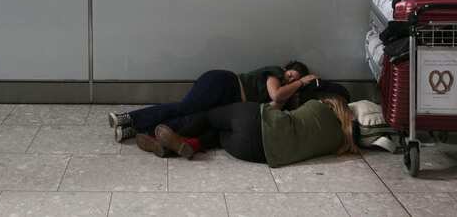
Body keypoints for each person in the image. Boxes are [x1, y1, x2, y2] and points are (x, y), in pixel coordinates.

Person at [108, 61, 317, 142]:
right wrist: (301, 83)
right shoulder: (275, 73)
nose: (290, 78)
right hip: (223, 83)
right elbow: (276, 95)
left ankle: (135, 130)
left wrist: (290, 96)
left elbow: (272, 106)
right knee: (185, 108)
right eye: (291, 74)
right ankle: (127, 117)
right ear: (286, 69)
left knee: (192, 118)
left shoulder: (284, 90)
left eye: (294, 79)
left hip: (228, 100)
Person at [135, 96, 358, 167]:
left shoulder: (318, 106)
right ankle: (189, 145)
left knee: (210, 116)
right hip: (253, 153)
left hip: (255, 120)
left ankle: (161, 138)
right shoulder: (338, 143)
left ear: (333, 106)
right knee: (217, 136)